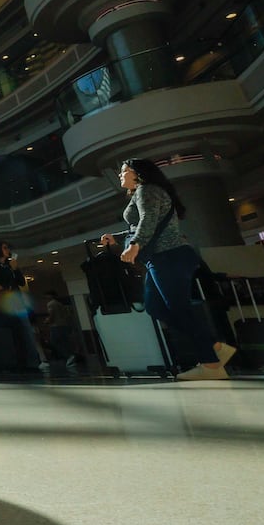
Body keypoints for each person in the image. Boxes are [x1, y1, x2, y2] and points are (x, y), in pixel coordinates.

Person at [99, 158, 237, 380]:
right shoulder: (144, 192)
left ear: (138, 173)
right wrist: (117, 238)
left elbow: (148, 221)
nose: (120, 175)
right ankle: (216, 348)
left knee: (177, 308)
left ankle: (211, 364)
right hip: (161, 257)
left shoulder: (147, 190)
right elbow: (144, 225)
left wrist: (135, 245)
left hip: (169, 256)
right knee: (156, 307)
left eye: (124, 171)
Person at [0, 240, 42, 373]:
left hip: (14, 299)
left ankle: (30, 361)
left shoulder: (9, 265)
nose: (7, 250)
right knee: (12, 330)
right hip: (2, 300)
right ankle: (14, 361)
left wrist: (16, 269)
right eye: (4, 248)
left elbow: (21, 282)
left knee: (24, 328)